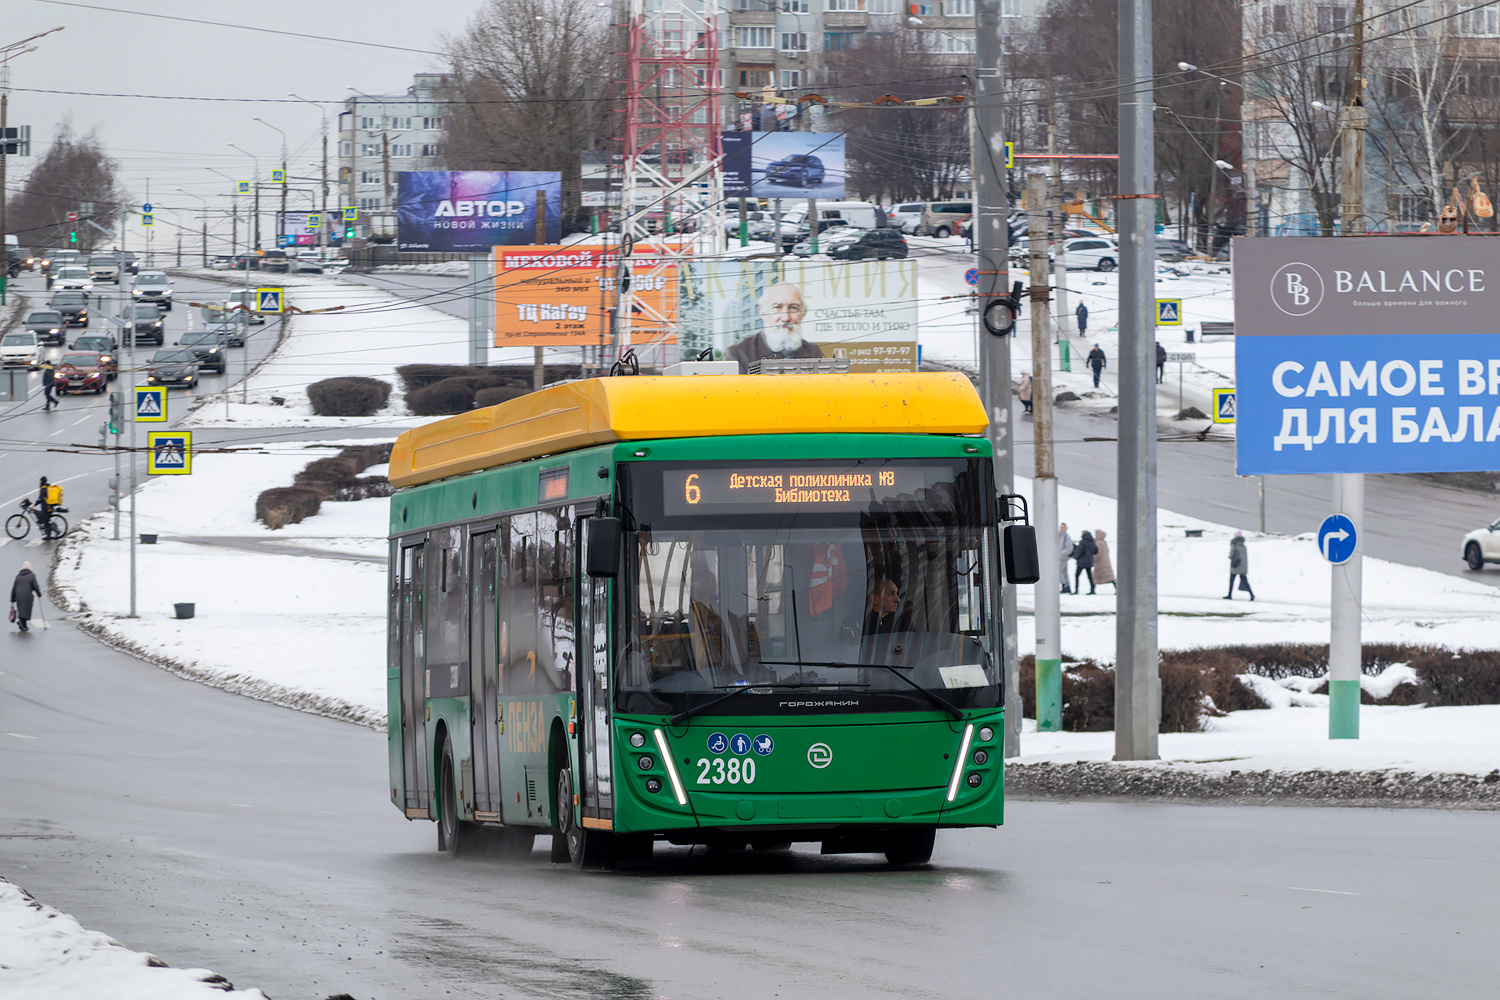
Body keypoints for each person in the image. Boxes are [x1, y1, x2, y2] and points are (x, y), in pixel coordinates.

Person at [726, 282, 824, 373]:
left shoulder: (813, 352)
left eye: (793, 308)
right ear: (763, 312)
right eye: (777, 307)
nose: (785, 318)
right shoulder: (737, 353)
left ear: (803, 313)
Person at [10, 561, 43, 633]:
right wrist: (39, 594)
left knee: (21, 609)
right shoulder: (32, 576)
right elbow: (35, 586)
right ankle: (22, 623)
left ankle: (24, 625)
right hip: (27, 595)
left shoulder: (18, 576)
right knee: (26, 610)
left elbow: (14, 588)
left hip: (18, 595)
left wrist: (12, 599)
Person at [1227, 531, 1255, 600]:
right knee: (1245, 581)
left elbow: (1231, 556)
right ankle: (1251, 594)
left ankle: (1229, 595)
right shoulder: (1244, 546)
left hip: (1235, 566)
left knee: (1231, 581)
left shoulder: (1234, 545)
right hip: (1242, 566)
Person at [1072, 530, 1098, 595]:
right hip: (1089, 561)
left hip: (1081, 562)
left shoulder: (1083, 542)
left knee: (1077, 576)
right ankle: (1092, 589)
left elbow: (1079, 551)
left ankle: (1076, 590)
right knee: (1089, 576)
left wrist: (1075, 557)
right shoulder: (1092, 542)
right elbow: (1096, 551)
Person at [1092, 528, 1116, 594]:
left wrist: (1093, 559)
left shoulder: (1098, 543)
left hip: (1100, 563)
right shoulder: (1104, 542)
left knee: (1095, 577)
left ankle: (1092, 589)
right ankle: (1116, 588)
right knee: (1109, 577)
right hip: (1105, 563)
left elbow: (1098, 553)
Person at [1058, 522, 1074, 594]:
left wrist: (1061, 554)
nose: (1061, 529)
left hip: (1062, 557)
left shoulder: (1066, 536)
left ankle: (1065, 585)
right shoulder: (1058, 535)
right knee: (1063, 572)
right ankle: (1066, 586)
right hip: (1059, 557)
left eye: (1063, 527)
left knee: (1060, 571)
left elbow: (1069, 548)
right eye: (1061, 527)